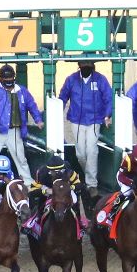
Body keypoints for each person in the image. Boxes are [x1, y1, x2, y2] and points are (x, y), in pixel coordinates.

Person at [58, 61, 112, 199]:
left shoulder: (100, 79)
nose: (86, 68)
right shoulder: (71, 79)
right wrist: (57, 112)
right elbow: (63, 96)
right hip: (76, 120)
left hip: (95, 120)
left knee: (92, 151)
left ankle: (91, 183)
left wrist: (107, 115)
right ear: (79, 66)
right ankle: (88, 174)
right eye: (83, 66)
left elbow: (108, 98)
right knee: (81, 154)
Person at [0, 63, 43, 184]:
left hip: (14, 131)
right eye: (6, 79)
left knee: (20, 158)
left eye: (10, 79)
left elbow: (31, 104)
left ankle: (28, 182)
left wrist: (38, 119)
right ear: (1, 79)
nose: (8, 81)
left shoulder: (21, 90)